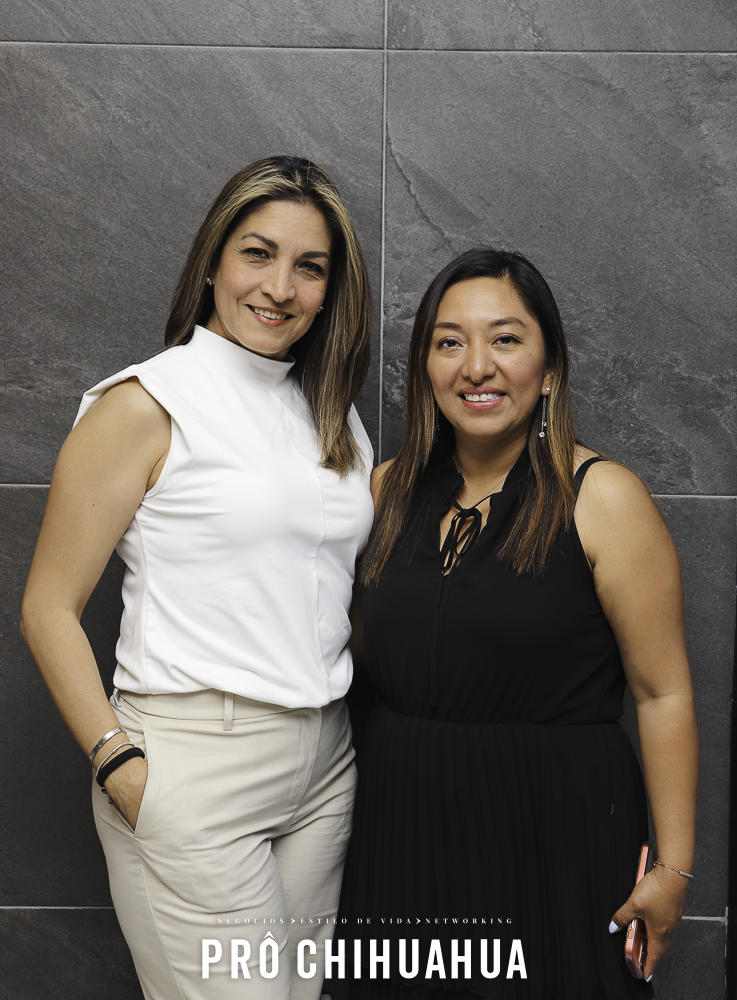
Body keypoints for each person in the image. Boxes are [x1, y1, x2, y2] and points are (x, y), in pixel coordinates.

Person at [20, 155, 375, 1000]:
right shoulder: (145, 403)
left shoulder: (331, 412)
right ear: (213, 260)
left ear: (331, 290)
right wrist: (120, 764)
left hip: (324, 766)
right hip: (194, 765)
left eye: (309, 266)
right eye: (257, 253)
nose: (279, 288)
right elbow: (47, 607)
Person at [333, 248, 698, 999]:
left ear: (549, 365)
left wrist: (672, 868)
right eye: (449, 341)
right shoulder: (382, 493)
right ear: (425, 366)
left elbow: (662, 694)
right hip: (399, 827)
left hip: (552, 832)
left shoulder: (602, 498)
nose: (477, 366)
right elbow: (344, 659)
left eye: (505, 339)